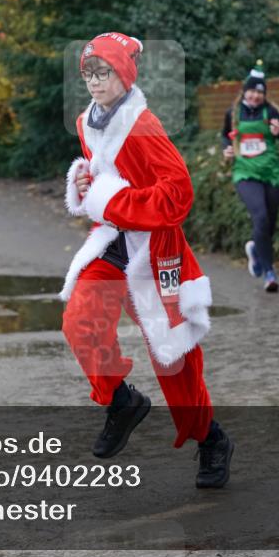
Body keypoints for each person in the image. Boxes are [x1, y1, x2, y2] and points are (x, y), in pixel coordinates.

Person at [60, 32, 233, 489]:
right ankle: (121, 401)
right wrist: (85, 183)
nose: (95, 81)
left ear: (124, 74)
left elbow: (178, 195)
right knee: (80, 321)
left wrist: (112, 201)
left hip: (156, 251)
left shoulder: (144, 125)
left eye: (104, 72)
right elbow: (105, 173)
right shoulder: (86, 122)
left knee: (175, 359)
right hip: (113, 242)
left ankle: (210, 438)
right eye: (89, 73)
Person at [221, 61, 279, 292]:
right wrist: (227, 149)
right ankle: (269, 272)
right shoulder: (233, 114)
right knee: (260, 217)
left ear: (264, 95)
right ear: (245, 91)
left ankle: (256, 249)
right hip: (245, 173)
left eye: (260, 92)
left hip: (272, 172)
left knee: (269, 224)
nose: (255, 96)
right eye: (252, 91)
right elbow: (225, 136)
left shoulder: (271, 113)